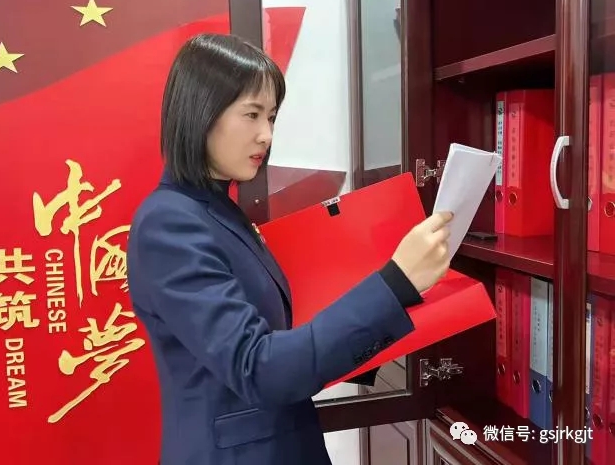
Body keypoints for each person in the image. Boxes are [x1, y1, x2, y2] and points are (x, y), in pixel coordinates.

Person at [126, 33, 453, 465]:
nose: (266, 135)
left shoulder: (218, 209)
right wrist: (394, 284)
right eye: (252, 114)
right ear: (200, 112)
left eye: (272, 117)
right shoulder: (169, 223)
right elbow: (257, 367)